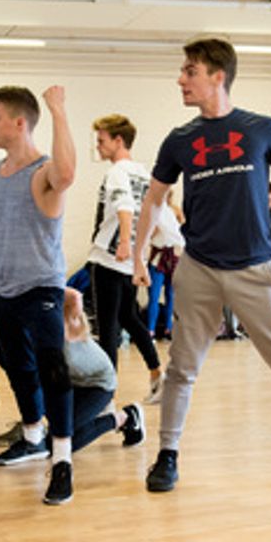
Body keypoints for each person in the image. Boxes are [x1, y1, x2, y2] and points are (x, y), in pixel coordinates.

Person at [132, 38, 271, 494]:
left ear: (218, 76)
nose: (181, 80)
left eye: (190, 71)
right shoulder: (180, 139)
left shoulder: (261, 129)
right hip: (198, 268)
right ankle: (167, 455)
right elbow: (154, 199)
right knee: (181, 369)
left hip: (255, 272)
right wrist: (138, 255)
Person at [0, 85, 78, 505]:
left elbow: (67, 175)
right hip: (4, 285)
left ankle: (62, 460)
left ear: (19, 123)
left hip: (41, 285)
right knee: (16, 365)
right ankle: (32, 436)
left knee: (52, 369)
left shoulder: (43, 171)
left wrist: (58, 110)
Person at [0, 290, 144, 457]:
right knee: (56, 435)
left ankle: (125, 417)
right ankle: (82, 417)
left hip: (97, 385)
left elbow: (75, 296)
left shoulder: (66, 322)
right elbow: (10, 363)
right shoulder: (27, 327)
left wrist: (35, 286)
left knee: (59, 441)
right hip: (65, 383)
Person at [85, 114, 164, 403]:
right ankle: (157, 373)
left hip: (110, 259)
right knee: (129, 317)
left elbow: (125, 206)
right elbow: (156, 214)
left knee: (107, 328)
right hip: (130, 261)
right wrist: (140, 251)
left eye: (101, 140)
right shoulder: (143, 173)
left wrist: (123, 243)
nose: (98, 146)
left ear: (119, 141)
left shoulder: (118, 172)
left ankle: (105, 397)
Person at [144, 188, 184, 344]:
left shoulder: (175, 210)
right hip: (159, 257)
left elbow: (183, 227)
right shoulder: (153, 211)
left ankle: (167, 328)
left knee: (170, 295)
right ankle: (151, 330)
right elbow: (150, 234)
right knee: (155, 295)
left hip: (173, 256)